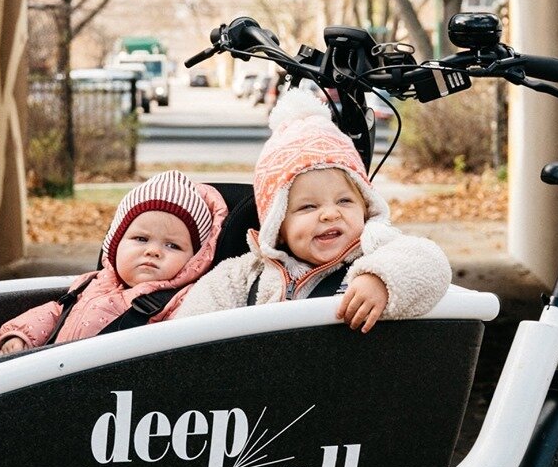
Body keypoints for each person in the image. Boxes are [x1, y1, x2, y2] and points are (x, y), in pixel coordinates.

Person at [173, 90, 449, 329]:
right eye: (308, 207)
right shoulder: (244, 275)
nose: (330, 214)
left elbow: (429, 263)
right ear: (277, 225)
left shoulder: (377, 250)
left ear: (365, 206)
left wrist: (380, 280)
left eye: (344, 201)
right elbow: (187, 329)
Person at [0, 170, 228, 354]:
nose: (153, 251)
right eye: (140, 239)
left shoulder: (181, 301)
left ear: (193, 260)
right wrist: (20, 335)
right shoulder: (90, 283)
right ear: (115, 244)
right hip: (56, 379)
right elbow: (56, 313)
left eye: (172, 245)